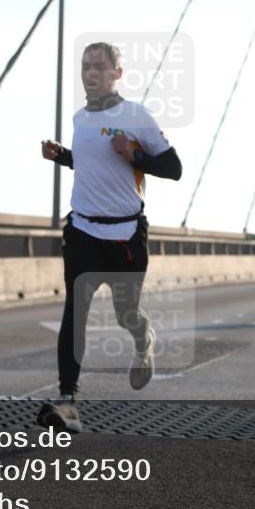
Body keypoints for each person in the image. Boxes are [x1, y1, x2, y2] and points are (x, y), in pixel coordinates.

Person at [36, 42, 182, 433]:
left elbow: (174, 168)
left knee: (126, 313)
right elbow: (90, 163)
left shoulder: (137, 116)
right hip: (83, 229)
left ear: (118, 73)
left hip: (126, 235)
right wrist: (63, 155)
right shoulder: (80, 118)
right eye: (85, 66)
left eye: (99, 66)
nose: (90, 72)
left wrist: (134, 156)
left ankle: (143, 337)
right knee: (75, 313)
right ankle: (68, 402)